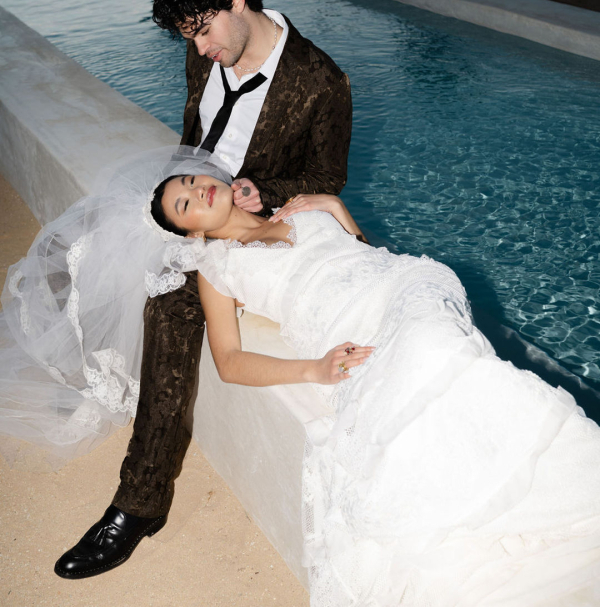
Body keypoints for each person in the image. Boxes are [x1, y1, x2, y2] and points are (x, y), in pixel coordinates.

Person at [3, 146, 597, 604]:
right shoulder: (216, 270)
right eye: (185, 203)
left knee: (433, 340)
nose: (198, 189)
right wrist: (314, 368)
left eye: (191, 181)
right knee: (427, 362)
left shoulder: (295, 207)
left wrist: (335, 208)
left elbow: (364, 255)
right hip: (344, 323)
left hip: (401, 285)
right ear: (192, 233)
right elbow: (230, 364)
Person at [52, 0, 353, 577]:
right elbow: (199, 132)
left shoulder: (321, 81)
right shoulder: (205, 48)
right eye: (189, 37)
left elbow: (326, 180)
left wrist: (262, 193)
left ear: (237, 0)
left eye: (204, 30)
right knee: (85, 244)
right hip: (190, 200)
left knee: (169, 309)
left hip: (241, 228)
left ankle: (139, 504)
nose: (201, 49)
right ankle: (94, 375)